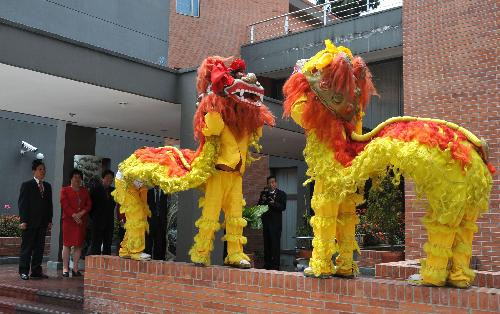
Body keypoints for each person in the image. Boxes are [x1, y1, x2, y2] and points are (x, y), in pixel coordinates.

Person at [18, 159, 53, 280]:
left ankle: (36, 271)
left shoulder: (47, 186)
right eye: (40, 169)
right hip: (29, 223)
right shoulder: (27, 185)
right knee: (27, 248)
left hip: (42, 223)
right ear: (34, 171)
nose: (43, 171)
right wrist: (23, 221)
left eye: (44, 169)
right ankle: (24, 271)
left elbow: (49, 205)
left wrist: (49, 220)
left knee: (39, 248)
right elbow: (23, 204)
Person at [60, 169, 91, 277]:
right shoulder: (64, 190)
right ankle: (65, 268)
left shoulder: (85, 190)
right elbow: (64, 204)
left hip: (80, 221)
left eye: (79, 177)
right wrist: (74, 215)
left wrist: (80, 214)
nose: (77, 179)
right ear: (71, 178)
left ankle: (75, 268)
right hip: (69, 221)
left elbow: (88, 205)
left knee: (78, 245)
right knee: (67, 245)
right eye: (75, 177)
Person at [259, 175, 287, 270]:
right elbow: (259, 206)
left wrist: (273, 203)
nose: (272, 184)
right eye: (270, 182)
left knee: (275, 245)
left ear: (276, 183)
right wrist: (263, 200)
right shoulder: (263, 194)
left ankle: (276, 265)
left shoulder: (281, 194)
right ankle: (267, 265)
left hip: (276, 224)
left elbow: (283, 207)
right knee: (267, 245)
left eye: (273, 182)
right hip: (266, 223)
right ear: (267, 184)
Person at [89, 170, 116, 255]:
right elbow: (90, 206)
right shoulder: (95, 190)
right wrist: (93, 217)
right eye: (107, 178)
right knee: (96, 244)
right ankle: (94, 265)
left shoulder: (114, 191)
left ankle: (106, 266)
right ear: (102, 178)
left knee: (107, 244)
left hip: (109, 222)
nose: (109, 180)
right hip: (97, 222)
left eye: (111, 178)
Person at [145, 186, 169, 260]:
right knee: (148, 243)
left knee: (159, 243)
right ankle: (147, 260)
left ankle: (157, 262)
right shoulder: (148, 192)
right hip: (150, 222)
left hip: (161, 223)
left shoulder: (166, 192)